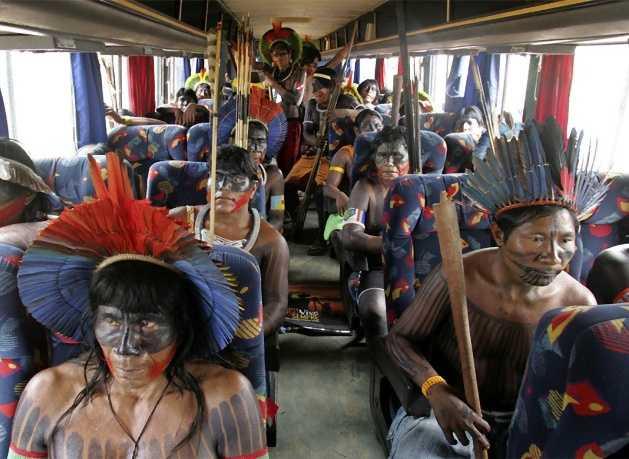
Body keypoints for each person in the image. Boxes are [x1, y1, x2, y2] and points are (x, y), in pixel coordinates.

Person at [11, 153, 267, 459]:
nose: (126, 347)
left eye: (147, 323)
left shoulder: (225, 398)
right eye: (112, 322)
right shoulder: (47, 395)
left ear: (181, 324)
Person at [385, 118, 610, 459]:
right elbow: (399, 340)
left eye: (566, 240)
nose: (553, 255)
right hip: (444, 411)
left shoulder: (578, 303)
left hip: (530, 422)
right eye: (537, 238)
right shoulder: (460, 276)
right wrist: (435, 389)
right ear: (499, 235)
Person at [171, 146, 289, 336]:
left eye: (236, 180)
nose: (224, 187)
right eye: (218, 177)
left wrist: (248, 334)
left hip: (239, 332)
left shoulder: (271, 242)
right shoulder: (179, 221)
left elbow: (277, 304)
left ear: (253, 189)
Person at [341, 126, 409, 339]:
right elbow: (350, 234)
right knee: (375, 310)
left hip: (420, 270)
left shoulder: (424, 187)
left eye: (397, 156)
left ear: (409, 159)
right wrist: (392, 243)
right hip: (379, 269)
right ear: (373, 160)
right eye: (383, 156)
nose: (389, 162)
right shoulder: (364, 188)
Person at [285, 67, 359, 252]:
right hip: (316, 154)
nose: (316, 92)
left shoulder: (348, 101)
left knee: (320, 192)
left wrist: (340, 113)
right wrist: (315, 141)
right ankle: (296, 217)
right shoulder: (312, 105)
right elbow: (306, 133)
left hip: (338, 156)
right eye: (314, 88)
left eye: (320, 88)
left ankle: (321, 235)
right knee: (287, 184)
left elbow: (365, 115)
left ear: (333, 87)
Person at [258, 23, 306, 176]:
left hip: (291, 124)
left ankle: (287, 191)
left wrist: (273, 83)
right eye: (275, 55)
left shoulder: (300, 73)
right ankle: (274, 189)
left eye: (282, 53)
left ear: (290, 54)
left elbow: (296, 100)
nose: (279, 58)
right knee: (272, 161)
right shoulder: (271, 72)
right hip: (273, 124)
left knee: (288, 164)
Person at [324, 109, 384, 219]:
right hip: (353, 207)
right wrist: (339, 195)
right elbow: (328, 187)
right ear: (357, 131)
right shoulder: (346, 153)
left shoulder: (388, 154)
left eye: (378, 126)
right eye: (368, 127)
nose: (374, 131)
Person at [248, 120, 285, 232]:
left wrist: (258, 236)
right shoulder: (226, 173)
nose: (255, 147)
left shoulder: (274, 176)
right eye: (249, 140)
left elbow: (277, 218)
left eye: (261, 141)